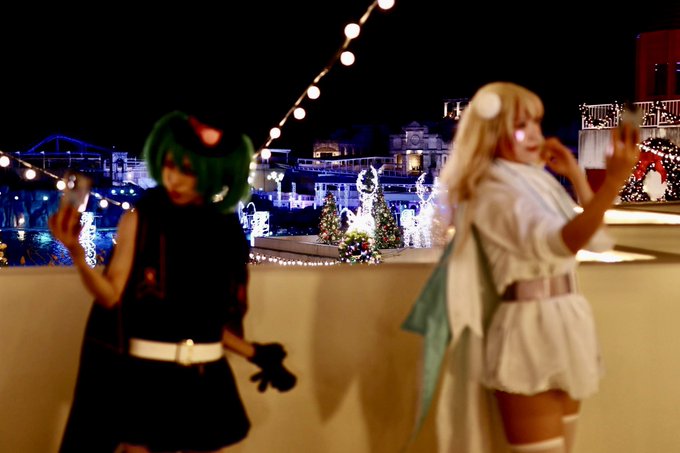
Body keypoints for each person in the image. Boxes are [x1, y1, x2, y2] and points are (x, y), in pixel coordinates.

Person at [50, 110, 296, 453]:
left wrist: (256, 353)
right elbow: (112, 296)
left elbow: (203, 320)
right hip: (145, 381)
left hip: (206, 378)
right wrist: (77, 253)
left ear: (212, 173)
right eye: (169, 165)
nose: (174, 179)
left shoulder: (224, 232)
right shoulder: (140, 220)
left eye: (188, 171)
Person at [422, 82, 640, 453]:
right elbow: (561, 242)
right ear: (493, 133)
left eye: (537, 123)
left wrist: (576, 175)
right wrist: (613, 182)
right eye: (522, 125)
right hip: (527, 327)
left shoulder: (537, 180)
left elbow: (597, 239)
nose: (536, 134)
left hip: (565, 320)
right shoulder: (491, 189)